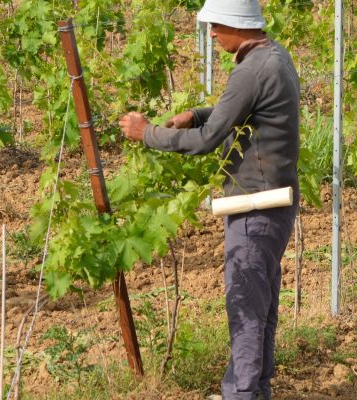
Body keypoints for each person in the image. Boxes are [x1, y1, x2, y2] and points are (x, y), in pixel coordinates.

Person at [118, 0, 300, 398]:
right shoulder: (275, 55)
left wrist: (147, 132)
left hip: (255, 208)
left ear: (236, 25)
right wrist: (197, 114)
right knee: (262, 308)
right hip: (276, 205)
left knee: (246, 311)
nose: (212, 33)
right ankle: (255, 391)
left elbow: (206, 142)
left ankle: (242, 394)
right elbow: (237, 113)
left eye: (216, 25)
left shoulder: (251, 70)